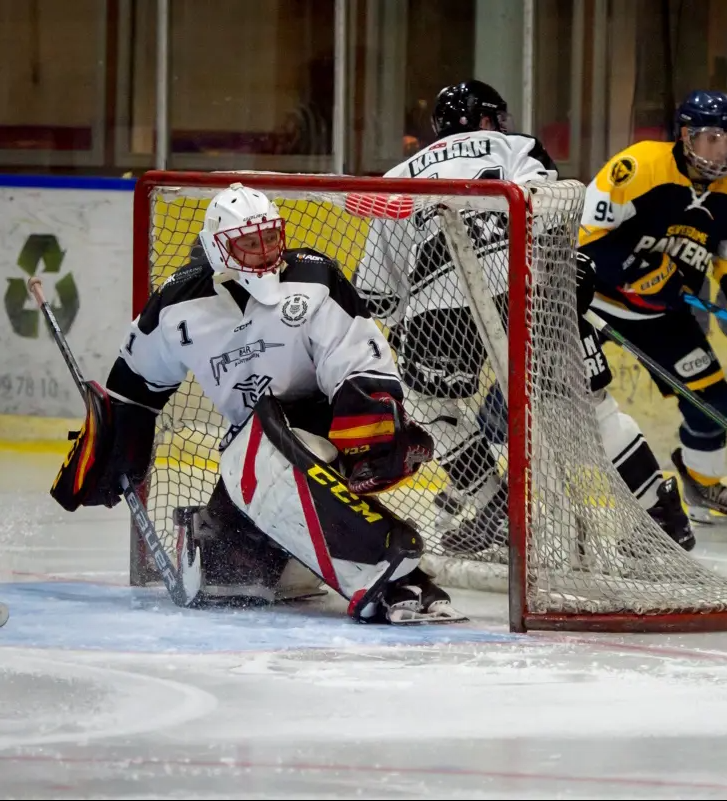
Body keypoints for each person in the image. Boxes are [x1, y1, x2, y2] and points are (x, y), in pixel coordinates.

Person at [49, 182, 461, 625]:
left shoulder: (314, 279)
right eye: (249, 243)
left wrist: (370, 426)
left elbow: (358, 362)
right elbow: (134, 390)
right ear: (218, 249)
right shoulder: (176, 306)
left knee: (268, 453)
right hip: (250, 449)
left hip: (318, 438)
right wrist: (114, 443)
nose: (265, 251)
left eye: (270, 237)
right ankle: (304, 559)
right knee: (228, 581)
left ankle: (392, 568)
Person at [355, 79, 694, 553]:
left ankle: (493, 508)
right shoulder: (517, 145)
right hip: (527, 287)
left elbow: (378, 294)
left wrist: (408, 329)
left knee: (428, 405)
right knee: (592, 406)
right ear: (488, 120)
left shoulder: (396, 178)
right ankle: (661, 515)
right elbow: (551, 211)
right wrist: (567, 279)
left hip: (440, 305)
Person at [578, 90, 727, 527]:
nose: (722, 150)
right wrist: (637, 271)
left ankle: (702, 484)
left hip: (662, 315)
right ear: (686, 136)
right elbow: (588, 237)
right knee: (536, 386)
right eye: (712, 138)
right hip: (591, 303)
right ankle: (485, 475)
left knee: (711, 397)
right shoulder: (638, 167)